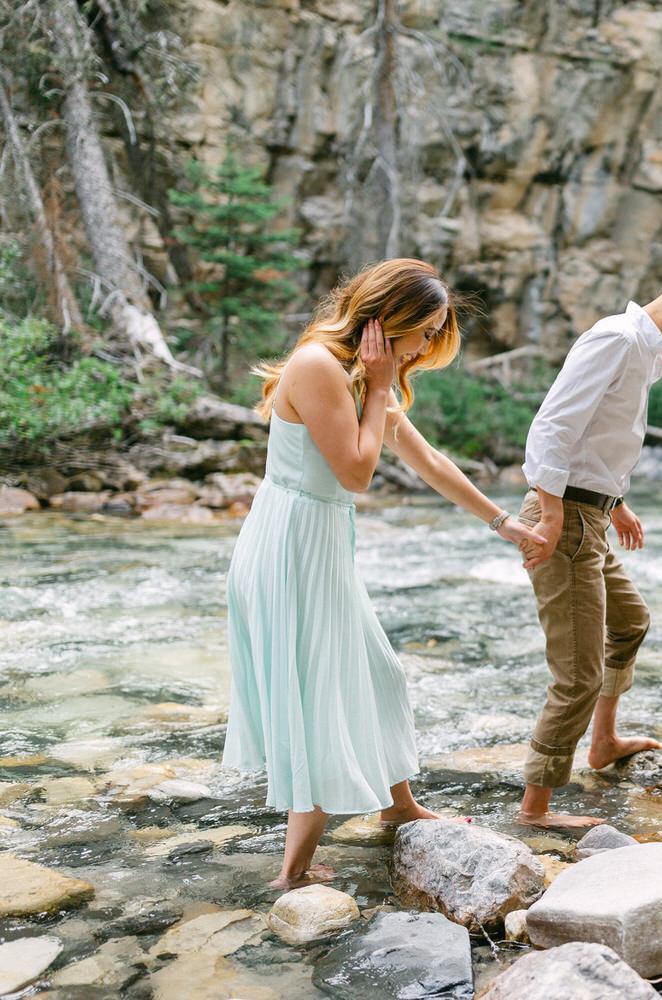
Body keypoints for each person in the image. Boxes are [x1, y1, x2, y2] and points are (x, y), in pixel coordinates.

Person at [223, 258, 546, 888]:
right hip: (291, 548)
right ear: (388, 319)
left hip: (316, 542)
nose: (425, 346)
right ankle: (291, 874)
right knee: (319, 695)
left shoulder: (359, 372)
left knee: (379, 674)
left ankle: (397, 806)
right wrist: (377, 385)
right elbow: (356, 472)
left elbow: (423, 457)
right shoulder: (321, 366)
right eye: (423, 330)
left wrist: (500, 520)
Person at [515, 254, 662, 827]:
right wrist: (549, 514)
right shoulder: (617, 339)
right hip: (563, 515)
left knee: (630, 620)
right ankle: (535, 809)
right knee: (578, 674)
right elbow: (552, 425)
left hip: (589, 513)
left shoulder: (647, 353)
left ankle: (604, 743)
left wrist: (616, 502)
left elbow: (598, 436)